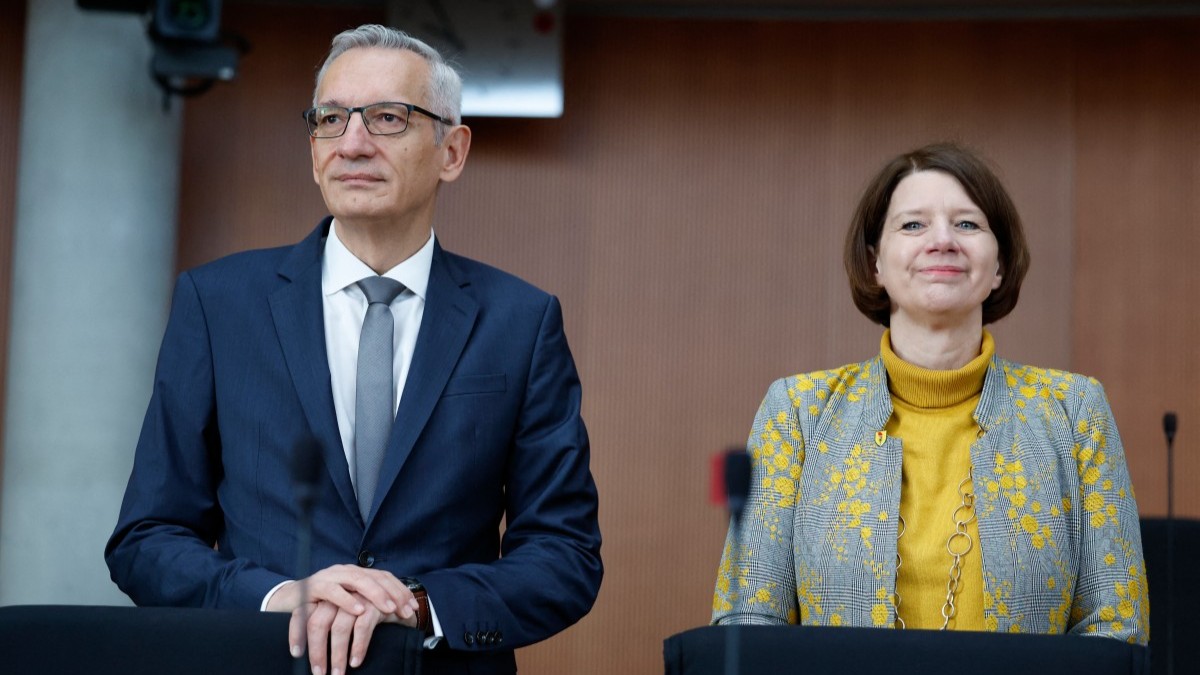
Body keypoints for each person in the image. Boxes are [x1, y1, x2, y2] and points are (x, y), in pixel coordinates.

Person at [106, 24, 602, 675]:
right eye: (331, 119)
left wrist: (421, 605)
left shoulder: (521, 321)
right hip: (259, 661)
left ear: (452, 150)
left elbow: (564, 554)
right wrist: (277, 595)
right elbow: (146, 538)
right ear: (312, 150)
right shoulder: (218, 303)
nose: (353, 144)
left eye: (388, 118)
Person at [711, 142, 1148, 643]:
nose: (942, 240)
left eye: (967, 224)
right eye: (913, 225)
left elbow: (1116, 627)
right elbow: (749, 621)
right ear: (875, 261)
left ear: (999, 264)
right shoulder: (800, 412)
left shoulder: (1073, 413)